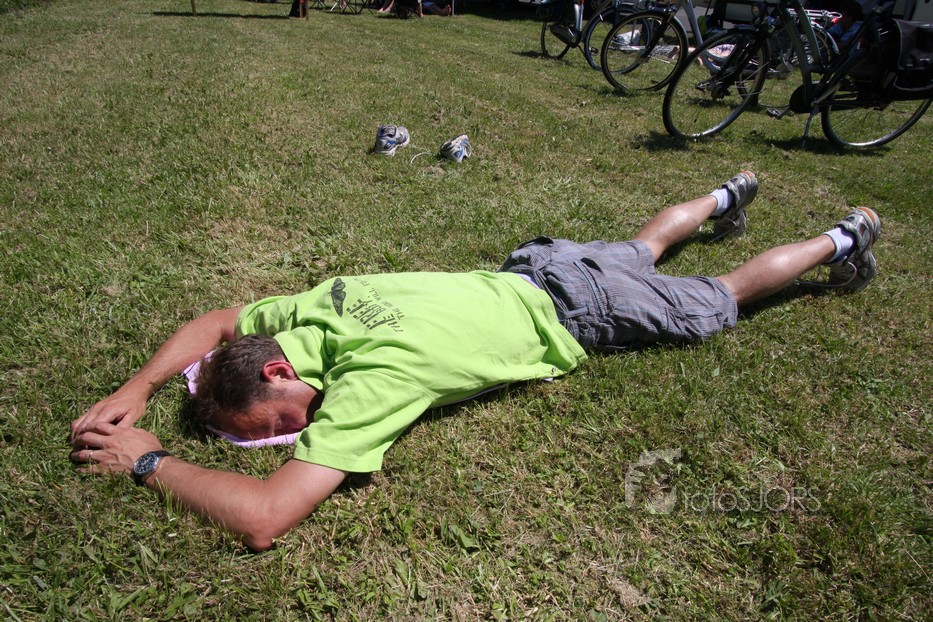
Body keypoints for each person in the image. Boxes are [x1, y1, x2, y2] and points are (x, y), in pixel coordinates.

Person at [70, 172, 881, 551]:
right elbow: (217, 320)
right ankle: (728, 192)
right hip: (537, 267)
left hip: (582, 309)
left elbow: (264, 518)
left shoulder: (373, 382)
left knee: (721, 296)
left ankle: (842, 237)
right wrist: (140, 385)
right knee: (641, 245)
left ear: (279, 372)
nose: (290, 436)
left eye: (276, 425)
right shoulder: (316, 304)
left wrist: (149, 462)